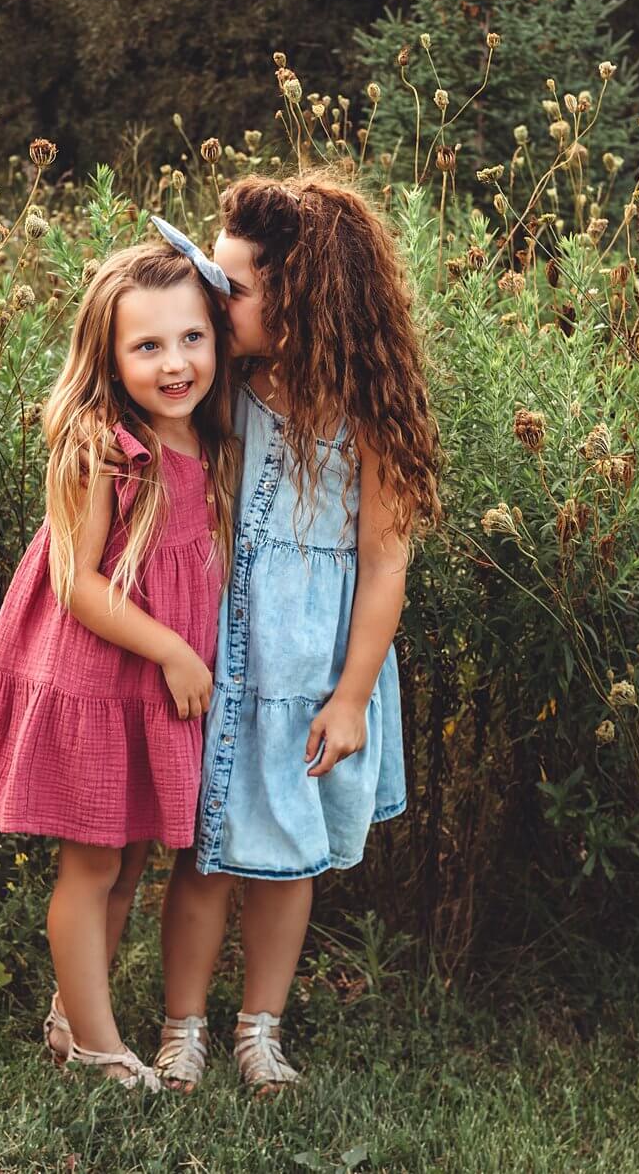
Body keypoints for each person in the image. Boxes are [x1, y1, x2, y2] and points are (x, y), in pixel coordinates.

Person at [152, 170, 442, 1094]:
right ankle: (181, 1026)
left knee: (285, 866)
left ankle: (259, 1029)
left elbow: (387, 565)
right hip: (217, 664)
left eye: (233, 287)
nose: (214, 299)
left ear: (300, 301)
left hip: (312, 675)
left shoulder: (372, 416)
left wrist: (353, 694)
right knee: (206, 858)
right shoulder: (219, 387)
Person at [0, 236, 235, 1090]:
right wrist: (175, 649)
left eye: (191, 337)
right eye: (147, 345)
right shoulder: (103, 449)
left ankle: (75, 1018)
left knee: (134, 853)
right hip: (98, 674)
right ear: (110, 359)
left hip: (148, 690)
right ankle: (102, 1047)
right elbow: (78, 587)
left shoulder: (213, 443)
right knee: (94, 863)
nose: (175, 362)